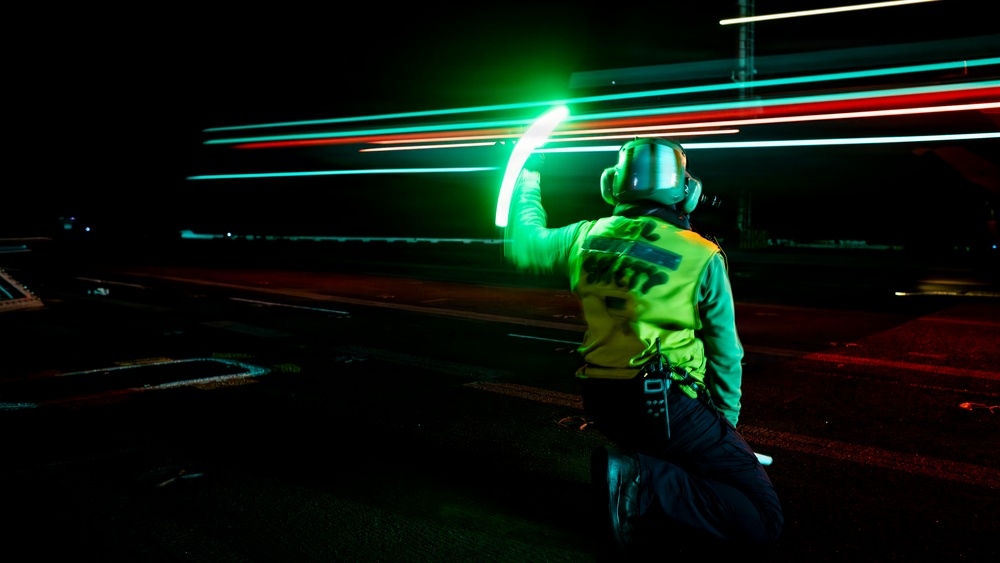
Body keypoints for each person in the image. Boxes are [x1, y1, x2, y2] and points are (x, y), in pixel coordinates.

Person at [503, 136, 783, 555]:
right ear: (687, 190)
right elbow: (726, 353)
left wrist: (528, 174)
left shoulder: (586, 236)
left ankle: (641, 476)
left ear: (612, 184)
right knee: (762, 518)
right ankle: (640, 478)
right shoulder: (701, 255)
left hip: (602, 400)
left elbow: (524, 242)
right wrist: (726, 428)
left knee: (685, 462)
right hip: (669, 404)